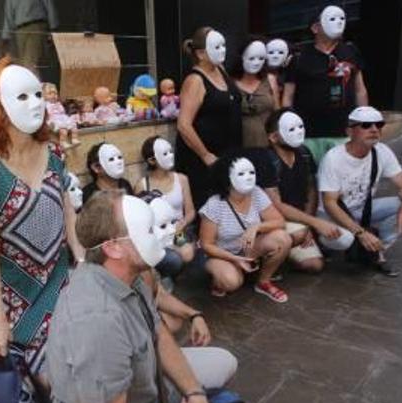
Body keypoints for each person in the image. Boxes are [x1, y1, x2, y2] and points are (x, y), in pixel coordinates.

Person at [47, 191, 237, 403]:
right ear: (112, 248)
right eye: (146, 229)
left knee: (223, 363)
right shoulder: (98, 323)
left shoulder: (133, 275)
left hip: (145, 389)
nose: (161, 236)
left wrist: (195, 394)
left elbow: (157, 331)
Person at [0, 57, 85, 381]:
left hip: (60, 276)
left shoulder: (55, 153)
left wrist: (81, 256)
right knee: (53, 379)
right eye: (22, 96)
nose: (35, 104)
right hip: (12, 294)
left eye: (38, 95)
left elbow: (67, 211)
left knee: (87, 358)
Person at [317, 106, 402, 276]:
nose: (373, 130)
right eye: (366, 125)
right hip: (331, 216)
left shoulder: (382, 151)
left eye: (378, 125)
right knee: (345, 239)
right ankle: (330, 243)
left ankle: (376, 249)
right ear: (350, 131)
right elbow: (330, 204)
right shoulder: (334, 158)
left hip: (361, 210)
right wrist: (360, 232)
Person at [256, 108, 342, 273]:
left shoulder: (304, 154)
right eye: (291, 129)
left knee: (314, 265)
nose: (298, 132)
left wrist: (306, 224)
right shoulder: (266, 161)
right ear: (274, 137)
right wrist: (313, 224)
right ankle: (265, 260)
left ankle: (285, 251)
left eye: (300, 127)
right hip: (272, 221)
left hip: (299, 220)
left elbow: (311, 189)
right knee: (299, 235)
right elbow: (276, 205)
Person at [282, 4, 370, 163]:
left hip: (343, 130)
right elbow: (288, 95)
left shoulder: (350, 52)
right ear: (316, 28)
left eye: (342, 18)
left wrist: (363, 122)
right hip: (308, 132)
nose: (339, 23)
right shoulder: (299, 57)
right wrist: (286, 124)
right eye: (332, 19)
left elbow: (360, 89)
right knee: (310, 179)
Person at [198, 156, 292, 302]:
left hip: (246, 248)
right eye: (241, 174)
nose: (248, 178)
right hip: (220, 254)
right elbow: (206, 245)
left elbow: (279, 221)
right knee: (231, 282)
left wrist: (256, 227)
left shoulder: (256, 192)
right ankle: (220, 278)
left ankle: (264, 282)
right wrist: (235, 259)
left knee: (282, 238)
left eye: (251, 172)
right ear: (226, 178)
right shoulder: (214, 204)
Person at [176, 26, 243, 210]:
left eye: (224, 45)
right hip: (204, 160)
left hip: (228, 153)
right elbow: (184, 125)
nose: (223, 50)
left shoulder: (220, 70)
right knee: (209, 210)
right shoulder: (195, 80)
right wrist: (206, 155)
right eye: (217, 47)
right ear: (201, 53)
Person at [135, 136, 196, 266]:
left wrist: (183, 223)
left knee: (187, 253)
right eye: (165, 153)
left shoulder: (181, 179)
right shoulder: (142, 185)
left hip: (178, 231)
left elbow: (191, 211)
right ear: (151, 160)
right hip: (156, 234)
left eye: (171, 152)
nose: (170, 156)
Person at [232, 37, 281, 148]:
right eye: (252, 58)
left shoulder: (270, 79)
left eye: (261, 58)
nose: (256, 63)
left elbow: (277, 114)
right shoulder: (230, 83)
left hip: (268, 146)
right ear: (241, 57)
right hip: (240, 146)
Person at [0, 0, 58, 69]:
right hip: (20, 30)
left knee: (30, 62)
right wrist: (5, 38)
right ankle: (28, 78)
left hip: (36, 25)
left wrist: (53, 28)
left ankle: (30, 79)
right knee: (23, 63)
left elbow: (49, 5)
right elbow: (8, 15)